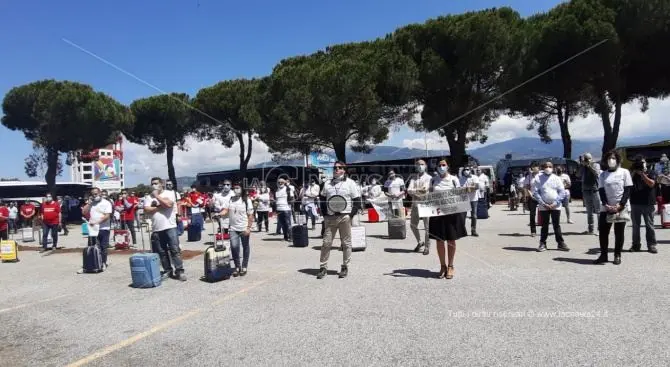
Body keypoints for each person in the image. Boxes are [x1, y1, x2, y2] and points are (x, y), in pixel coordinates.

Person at [316, 161, 361, 279]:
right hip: (330, 217)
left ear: (344, 170)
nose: (336, 169)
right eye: (335, 167)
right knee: (326, 243)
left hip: (344, 216)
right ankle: (323, 267)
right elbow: (322, 199)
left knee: (346, 243)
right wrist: (324, 214)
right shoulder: (327, 184)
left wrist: (350, 215)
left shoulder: (350, 183)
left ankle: (345, 266)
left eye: (339, 167)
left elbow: (357, 201)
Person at [428, 159, 467, 279]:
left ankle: (450, 266)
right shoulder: (433, 180)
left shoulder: (454, 179)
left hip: (452, 213)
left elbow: (459, 195)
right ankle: (442, 266)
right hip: (437, 213)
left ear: (448, 166)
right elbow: (429, 195)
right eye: (439, 165)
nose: (441, 167)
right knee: (439, 241)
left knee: (451, 240)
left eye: (443, 165)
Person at [594, 150, 633, 265]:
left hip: (621, 206)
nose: (611, 160)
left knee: (619, 232)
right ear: (605, 161)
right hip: (606, 207)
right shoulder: (603, 175)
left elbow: (627, 190)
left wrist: (620, 205)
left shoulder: (624, 172)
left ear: (618, 160)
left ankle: (617, 255)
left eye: (613, 158)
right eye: (609, 158)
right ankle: (604, 255)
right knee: (603, 232)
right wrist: (606, 205)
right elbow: (601, 191)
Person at [144, 177, 186, 280]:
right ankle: (168, 270)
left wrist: (157, 196)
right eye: (152, 184)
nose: (154, 185)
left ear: (162, 184)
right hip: (156, 228)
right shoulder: (148, 197)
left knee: (174, 250)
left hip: (170, 226)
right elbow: (146, 210)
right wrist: (159, 207)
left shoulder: (169, 193)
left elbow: (168, 204)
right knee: (161, 252)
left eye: (156, 183)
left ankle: (179, 271)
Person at [532, 161, 569, 252]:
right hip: (543, 206)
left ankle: (560, 243)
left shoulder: (556, 178)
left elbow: (562, 191)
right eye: (546, 166)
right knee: (544, 225)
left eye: (550, 166)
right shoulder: (538, 178)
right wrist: (543, 203)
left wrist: (555, 203)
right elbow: (535, 192)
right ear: (543, 168)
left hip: (555, 206)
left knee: (556, 225)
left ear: (553, 168)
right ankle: (542, 243)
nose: (548, 168)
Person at [219, 182, 254, 276]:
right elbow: (225, 210)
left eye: (238, 187)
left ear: (242, 189)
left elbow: (250, 215)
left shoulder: (247, 200)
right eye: (234, 188)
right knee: (234, 247)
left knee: (245, 246)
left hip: (244, 227)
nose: (236, 189)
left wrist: (248, 228)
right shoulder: (230, 199)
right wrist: (219, 214)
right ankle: (237, 266)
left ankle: (244, 266)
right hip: (233, 228)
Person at [629, 155, 658, 254]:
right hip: (635, 202)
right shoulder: (631, 173)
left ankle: (651, 245)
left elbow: (651, 184)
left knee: (649, 225)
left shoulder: (651, 172)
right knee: (635, 226)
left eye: (642, 162)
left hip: (648, 202)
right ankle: (636, 245)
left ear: (646, 162)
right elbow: (627, 183)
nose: (641, 164)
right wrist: (634, 172)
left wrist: (642, 174)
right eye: (639, 163)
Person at [79, 188, 113, 271]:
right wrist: (89, 204)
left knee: (103, 247)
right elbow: (84, 212)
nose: (95, 195)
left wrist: (97, 222)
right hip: (93, 229)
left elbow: (107, 216)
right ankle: (92, 264)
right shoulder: (92, 203)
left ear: (100, 193)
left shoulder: (106, 203)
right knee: (92, 246)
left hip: (104, 228)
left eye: (96, 193)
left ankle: (103, 263)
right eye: (93, 194)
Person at [407, 159, 432, 254]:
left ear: (425, 166)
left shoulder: (429, 178)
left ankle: (427, 246)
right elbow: (409, 190)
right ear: (416, 166)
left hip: (426, 204)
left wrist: (414, 191)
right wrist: (416, 192)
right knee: (412, 225)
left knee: (427, 227)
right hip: (415, 204)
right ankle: (420, 241)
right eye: (418, 164)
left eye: (422, 164)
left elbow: (424, 190)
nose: (420, 166)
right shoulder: (413, 178)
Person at [580, 153, 602, 235]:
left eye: (587, 158)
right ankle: (590, 229)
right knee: (589, 211)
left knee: (598, 211)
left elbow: (597, 174)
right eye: (585, 158)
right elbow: (578, 174)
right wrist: (582, 166)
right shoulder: (583, 166)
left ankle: (600, 229)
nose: (586, 160)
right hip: (586, 190)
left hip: (595, 190)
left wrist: (589, 166)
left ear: (591, 158)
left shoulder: (596, 165)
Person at [459, 165, 482, 237]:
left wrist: (469, 188)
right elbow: (459, 189)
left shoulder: (474, 177)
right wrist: (467, 189)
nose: (466, 171)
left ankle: (473, 230)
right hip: (464, 199)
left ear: (470, 170)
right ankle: (463, 231)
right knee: (463, 216)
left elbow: (477, 186)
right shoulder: (461, 179)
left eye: (467, 169)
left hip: (473, 199)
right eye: (465, 169)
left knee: (474, 215)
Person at [524, 163, 541, 237]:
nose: (534, 168)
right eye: (533, 167)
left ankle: (544, 230)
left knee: (544, 214)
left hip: (542, 197)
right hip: (532, 196)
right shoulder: (529, 177)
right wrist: (530, 195)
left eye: (536, 166)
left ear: (538, 167)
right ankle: (533, 231)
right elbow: (527, 187)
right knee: (532, 214)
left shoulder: (542, 175)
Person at [275, 177, 293, 242]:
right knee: (282, 224)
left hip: (286, 209)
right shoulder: (277, 190)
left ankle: (291, 237)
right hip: (279, 209)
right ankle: (285, 237)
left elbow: (291, 198)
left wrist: (290, 205)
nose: (280, 183)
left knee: (288, 223)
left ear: (284, 183)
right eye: (279, 182)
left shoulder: (287, 189)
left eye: (281, 182)